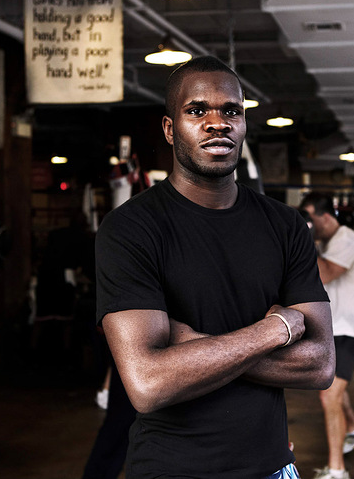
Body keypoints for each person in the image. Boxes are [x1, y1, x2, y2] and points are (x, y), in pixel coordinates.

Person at [95, 55, 335, 479]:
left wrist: (193, 346)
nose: (217, 123)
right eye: (196, 111)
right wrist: (273, 331)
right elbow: (148, 384)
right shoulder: (130, 229)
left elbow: (320, 365)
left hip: (273, 468)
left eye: (231, 111)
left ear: (243, 124)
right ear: (170, 129)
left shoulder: (285, 225)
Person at [299, 193, 354, 479]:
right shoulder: (326, 242)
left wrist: (303, 239)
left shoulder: (347, 240)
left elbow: (326, 274)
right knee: (335, 390)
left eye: (310, 218)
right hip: (334, 328)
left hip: (349, 331)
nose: (309, 224)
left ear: (326, 217)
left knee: (329, 396)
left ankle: (337, 470)